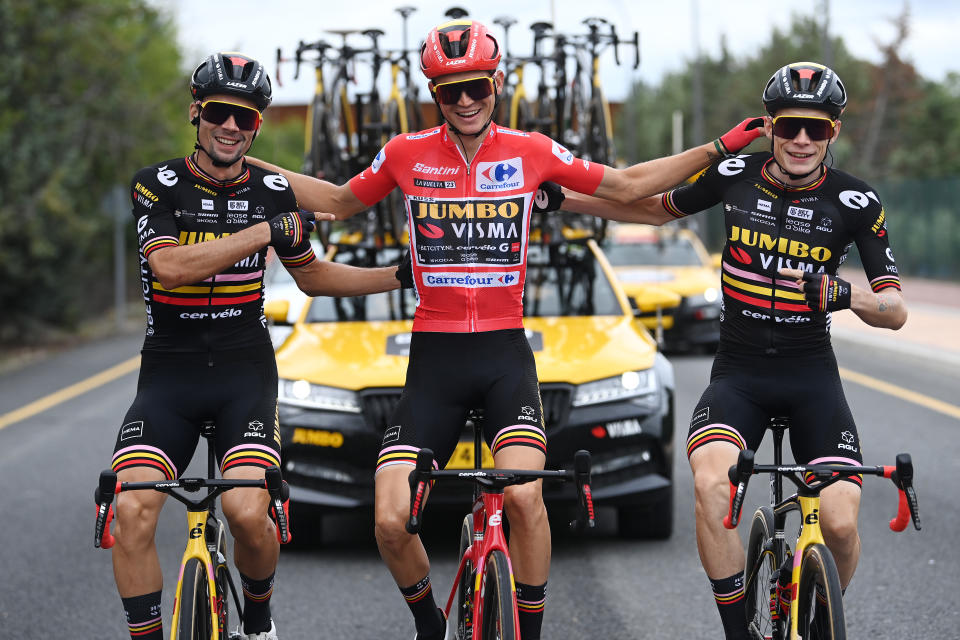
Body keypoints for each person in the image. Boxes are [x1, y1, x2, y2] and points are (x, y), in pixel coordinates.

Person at [248, 21, 764, 640]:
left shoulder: (533, 151)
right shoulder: (407, 153)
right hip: (433, 360)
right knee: (389, 519)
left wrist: (716, 148)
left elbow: (627, 188)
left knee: (523, 497)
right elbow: (334, 200)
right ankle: (429, 627)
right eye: (448, 92)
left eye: (476, 88)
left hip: (504, 356)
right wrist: (246, 163)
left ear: (497, 83)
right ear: (432, 95)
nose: (465, 102)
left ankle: (532, 629)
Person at [560, 61, 907, 638]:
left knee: (842, 525)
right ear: (769, 125)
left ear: (834, 133)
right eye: (789, 126)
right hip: (738, 374)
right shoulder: (735, 173)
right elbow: (649, 207)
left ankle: (821, 614)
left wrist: (845, 295)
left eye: (816, 129)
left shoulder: (857, 201)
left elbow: (895, 311)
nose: (801, 140)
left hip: (811, 374)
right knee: (709, 484)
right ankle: (737, 631)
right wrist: (562, 201)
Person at [108, 52, 402, 640]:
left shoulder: (273, 188)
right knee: (132, 508)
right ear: (197, 112)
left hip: (245, 370)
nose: (231, 127)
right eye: (219, 112)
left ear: (257, 127)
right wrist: (267, 229)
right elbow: (169, 266)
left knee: (246, 511)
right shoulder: (156, 183)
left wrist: (400, 277)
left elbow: (315, 275)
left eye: (246, 119)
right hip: (170, 373)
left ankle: (260, 621)